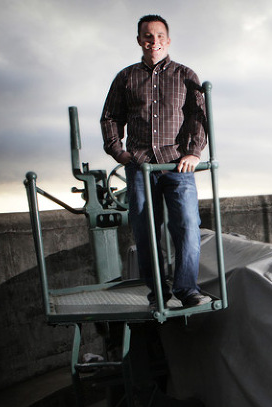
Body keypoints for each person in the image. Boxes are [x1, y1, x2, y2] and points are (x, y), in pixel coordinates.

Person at [101, 14, 210, 309]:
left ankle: (187, 290)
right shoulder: (126, 77)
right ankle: (158, 293)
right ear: (139, 40)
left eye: (159, 36)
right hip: (139, 166)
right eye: (148, 36)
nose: (154, 41)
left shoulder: (186, 75)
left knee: (187, 225)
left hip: (177, 165)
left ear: (168, 40)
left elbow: (199, 118)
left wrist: (194, 152)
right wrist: (118, 151)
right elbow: (110, 117)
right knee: (145, 230)